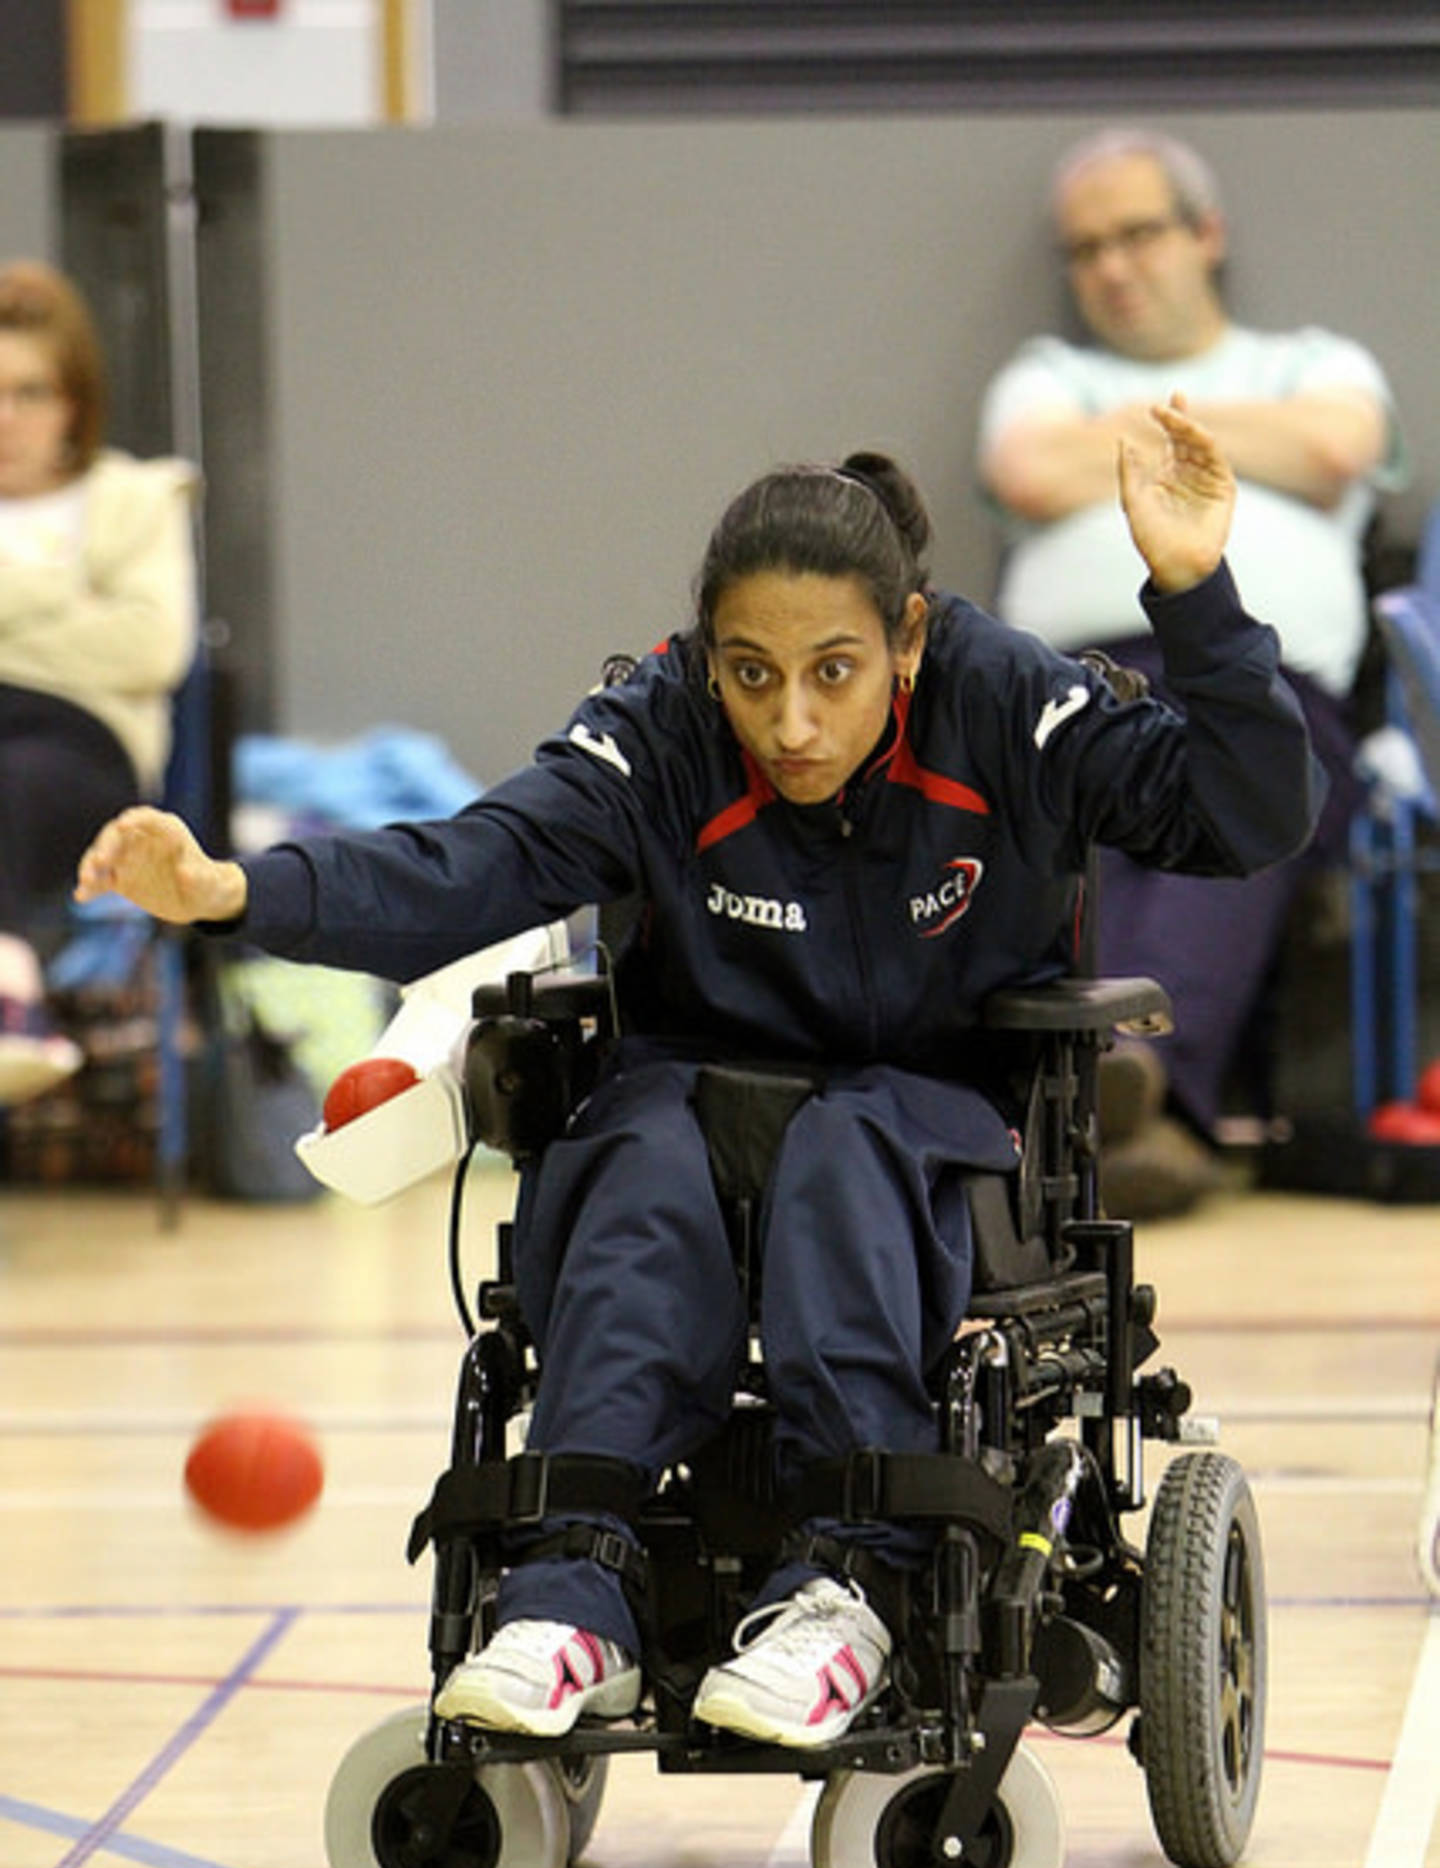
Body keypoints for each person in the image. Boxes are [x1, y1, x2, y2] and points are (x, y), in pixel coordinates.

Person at [77, 406, 1320, 1749]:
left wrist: (1195, 593)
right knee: (636, 1142)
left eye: (835, 671)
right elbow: (472, 865)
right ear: (707, 657)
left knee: (849, 1139)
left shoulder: (1005, 700)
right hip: (700, 1100)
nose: (790, 721)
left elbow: (1248, 812)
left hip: (933, 1117)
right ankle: (570, 1601)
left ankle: (848, 1585)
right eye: (751, 672)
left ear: (907, 639)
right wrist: (227, 891)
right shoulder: (661, 725)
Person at [977, 128, 1409, 1216]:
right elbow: (1025, 468)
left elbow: (1335, 446)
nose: (1113, 268)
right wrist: (1235, 445)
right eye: (1087, 249)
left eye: (1138, 234)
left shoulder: (1315, 360)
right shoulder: (1047, 376)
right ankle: (1147, 1112)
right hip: (1069, 689)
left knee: (1246, 790)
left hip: (1268, 690)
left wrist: (1124, 441)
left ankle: (1127, 1085)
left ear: (1205, 235)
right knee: (1086, 825)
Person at [0, 259, 199, 1105]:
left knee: (11, 780)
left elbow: (151, 647)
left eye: (31, 390)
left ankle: (7, 987)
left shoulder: (134, 498)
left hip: (82, 746)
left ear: (73, 401)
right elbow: (108, 631)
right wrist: (63, 599)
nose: (6, 416)